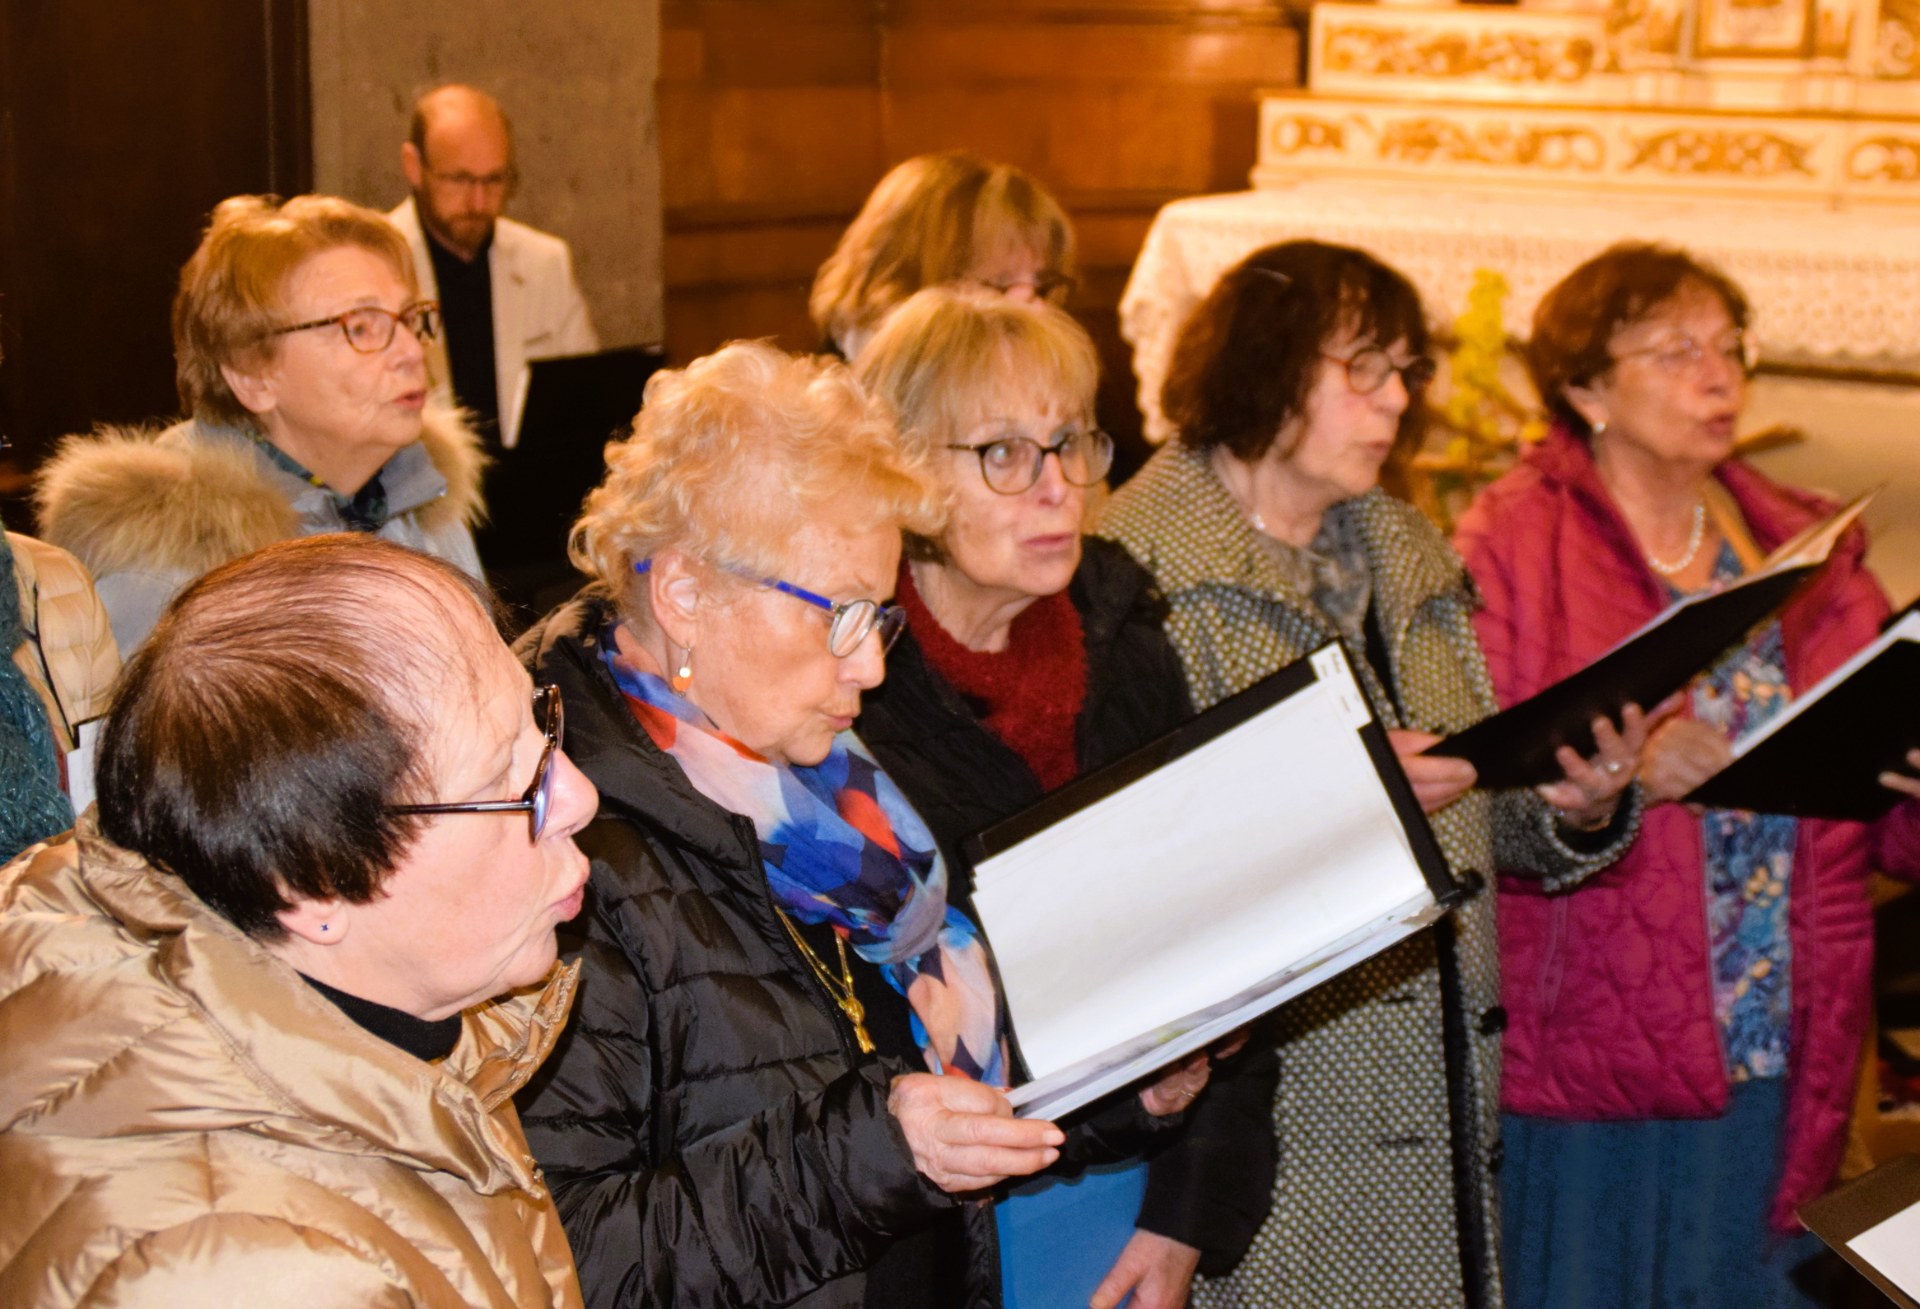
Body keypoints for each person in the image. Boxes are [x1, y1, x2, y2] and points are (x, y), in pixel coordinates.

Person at [515, 340, 1207, 1308]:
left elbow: (913, 1064)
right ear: (684, 594)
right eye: (836, 615)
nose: (872, 669)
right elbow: (560, 1258)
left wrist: (1121, 1100)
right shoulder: (564, 847)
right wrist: (870, 1153)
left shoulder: (837, 793)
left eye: (878, 618)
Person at [1098, 240, 1647, 1309]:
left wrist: (1576, 806)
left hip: (1438, 1102)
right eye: (1365, 368)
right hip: (1276, 1126)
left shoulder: (1403, 552)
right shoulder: (1139, 572)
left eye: (1407, 371)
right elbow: (1126, 872)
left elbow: (1471, 800)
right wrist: (1337, 796)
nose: (1397, 399)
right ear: (1265, 362)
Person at [1453, 242, 1920, 1309]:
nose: (1720, 377)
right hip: (1594, 1033)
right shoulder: (1513, 541)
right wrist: (1616, 785)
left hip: (1776, 1021)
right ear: (1584, 388)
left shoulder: (1809, 545)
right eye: (1675, 352)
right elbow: (1469, 790)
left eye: (1728, 347)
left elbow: (1877, 824)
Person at [0, 533, 598, 1306]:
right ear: (315, 886)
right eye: (505, 782)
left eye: (539, 724)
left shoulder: (392, 997)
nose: (578, 795)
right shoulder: (253, 1274)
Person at [852, 286, 1278, 1309]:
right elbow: (873, 1036)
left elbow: (1234, 950)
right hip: (955, 1229)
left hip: (1142, 1199)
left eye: (1072, 443)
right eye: (1002, 453)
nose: (1058, 488)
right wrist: (1128, 1097)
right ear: (905, 472)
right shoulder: (857, 687)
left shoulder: (1126, 641)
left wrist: (1183, 1221)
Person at [37, 193, 485, 657]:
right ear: (252, 376)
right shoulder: (168, 570)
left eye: (410, 319)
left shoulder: (420, 497)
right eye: (362, 326)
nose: (413, 351)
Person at [392, 83, 598, 447]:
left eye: (494, 180)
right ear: (414, 167)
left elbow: (584, 400)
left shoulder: (545, 263)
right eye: (459, 179)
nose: (478, 201)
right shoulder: (378, 261)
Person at [810, 151, 1076, 361]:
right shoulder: (842, 413)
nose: (1038, 310)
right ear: (910, 285)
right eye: (1000, 283)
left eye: (1041, 285)